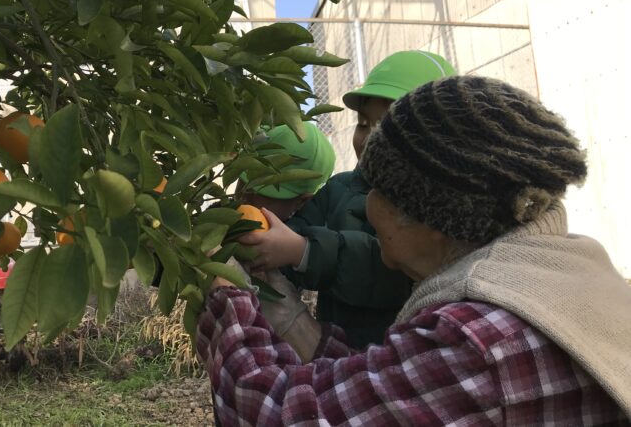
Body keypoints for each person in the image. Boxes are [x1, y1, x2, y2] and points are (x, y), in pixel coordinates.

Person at [197, 75, 631, 425]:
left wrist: (225, 293)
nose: (364, 206)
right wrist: (292, 321)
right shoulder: (570, 276)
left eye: (376, 190)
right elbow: (389, 384)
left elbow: (273, 416)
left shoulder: (473, 341)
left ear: (421, 214)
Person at [238, 50, 457, 348]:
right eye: (363, 124)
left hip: (402, 354)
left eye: (387, 127)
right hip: (335, 351)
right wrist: (260, 243)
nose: (369, 138)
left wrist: (304, 252)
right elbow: (292, 234)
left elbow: (388, 271)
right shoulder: (340, 189)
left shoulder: (438, 210)